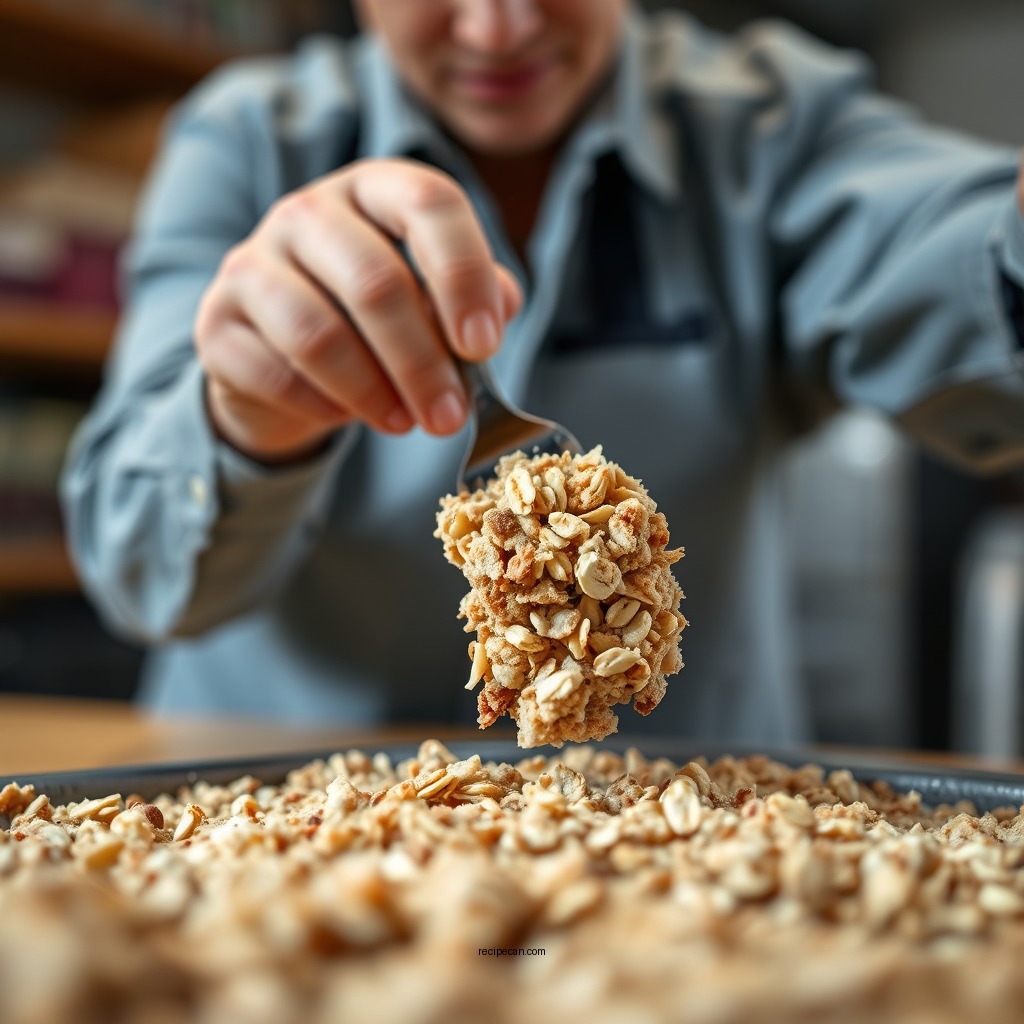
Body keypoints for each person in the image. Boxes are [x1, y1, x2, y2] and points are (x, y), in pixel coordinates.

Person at [60, 0, 1024, 744]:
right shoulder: (243, 137)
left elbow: (949, 261)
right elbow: (135, 572)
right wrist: (242, 414)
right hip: (291, 823)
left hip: (686, 847)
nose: (498, 28)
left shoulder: (770, 129)